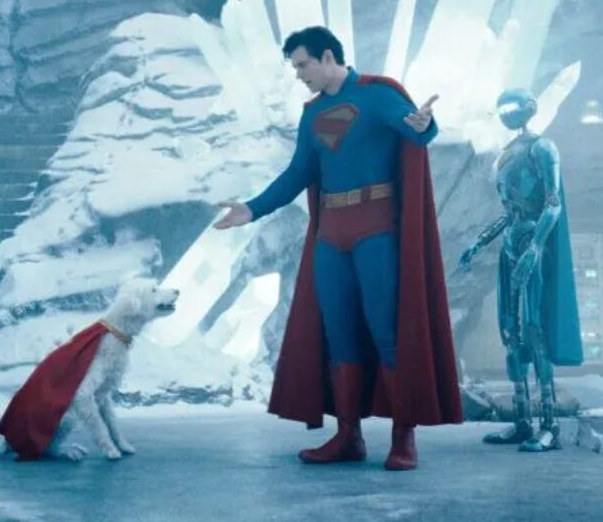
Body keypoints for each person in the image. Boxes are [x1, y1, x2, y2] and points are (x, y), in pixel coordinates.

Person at [215, 26, 462, 471]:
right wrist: (250, 209)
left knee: (387, 330)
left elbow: (415, 132)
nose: (299, 75)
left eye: (302, 65)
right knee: (339, 333)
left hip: (376, 230)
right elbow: (297, 174)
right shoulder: (312, 114)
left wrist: (425, 124)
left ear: (327, 56)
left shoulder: (377, 94)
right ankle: (348, 435)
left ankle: (403, 436)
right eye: (295, 67)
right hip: (331, 234)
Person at [459, 89, 583, 452]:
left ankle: (549, 425)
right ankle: (522, 421)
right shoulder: (507, 155)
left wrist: (534, 247)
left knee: (534, 328)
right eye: (502, 107)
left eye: (512, 106)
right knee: (511, 331)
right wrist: (480, 241)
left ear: (528, 109)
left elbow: (552, 203)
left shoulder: (542, 148)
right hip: (512, 245)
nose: (506, 112)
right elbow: (508, 212)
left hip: (532, 244)